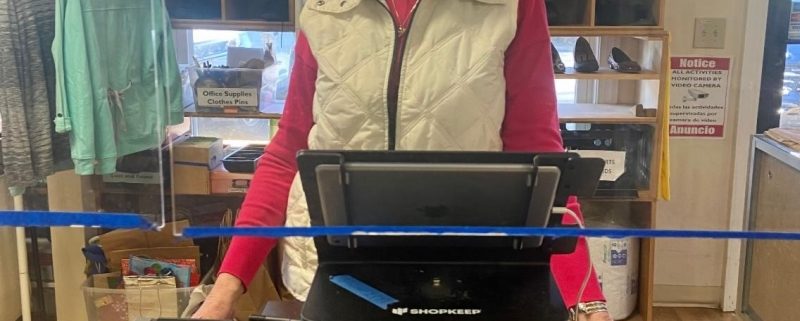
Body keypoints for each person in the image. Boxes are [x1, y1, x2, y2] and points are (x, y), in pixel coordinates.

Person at [193, 1, 611, 320]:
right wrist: (227, 286)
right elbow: (289, 151)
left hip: (462, 275)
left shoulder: (509, 6)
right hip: (335, 272)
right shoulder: (325, 7)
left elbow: (543, 162)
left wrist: (587, 301)